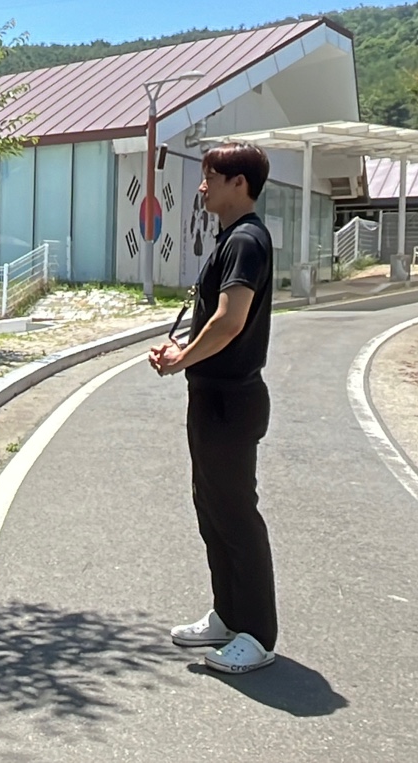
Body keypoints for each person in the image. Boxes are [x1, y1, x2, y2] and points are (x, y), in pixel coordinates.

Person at [148, 142, 278, 674]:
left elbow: (230, 320)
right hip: (212, 396)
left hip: (231, 399)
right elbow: (215, 323)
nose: (202, 187)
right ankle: (228, 616)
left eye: (211, 177)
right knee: (212, 509)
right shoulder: (232, 238)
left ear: (238, 183)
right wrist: (184, 353)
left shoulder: (245, 240)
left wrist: (181, 359)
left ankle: (258, 635)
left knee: (235, 514)